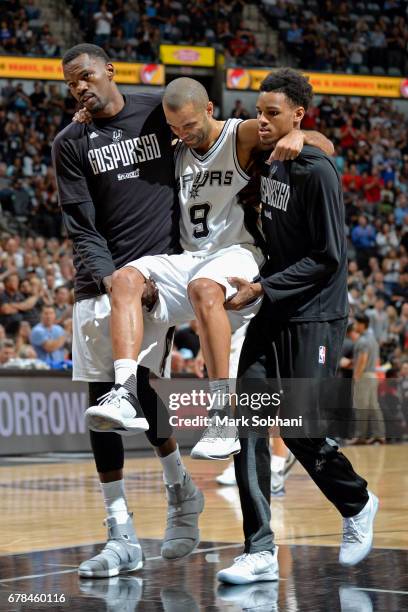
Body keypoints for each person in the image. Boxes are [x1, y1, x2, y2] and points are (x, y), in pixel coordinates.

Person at [85, 76, 334, 461]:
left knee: (203, 287)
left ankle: (221, 414)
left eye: (190, 126)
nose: (183, 134)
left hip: (238, 252)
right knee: (124, 280)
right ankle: (125, 392)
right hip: (190, 257)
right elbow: (122, 113)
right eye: (174, 128)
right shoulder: (174, 147)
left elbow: (324, 144)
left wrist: (302, 137)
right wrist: (91, 111)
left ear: (209, 110)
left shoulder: (241, 134)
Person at [217, 68, 379, 585]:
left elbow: (329, 257)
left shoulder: (315, 169)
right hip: (274, 307)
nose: (261, 122)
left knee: (304, 430)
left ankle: (357, 503)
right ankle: (259, 548)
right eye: (258, 112)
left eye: (272, 114)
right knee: (249, 424)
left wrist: (262, 286)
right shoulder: (269, 156)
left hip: (316, 313)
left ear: (297, 115)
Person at [52, 43, 204, 578]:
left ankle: (179, 489)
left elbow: (211, 128)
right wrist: (109, 278)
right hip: (100, 278)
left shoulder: (156, 113)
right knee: (100, 406)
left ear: (110, 71)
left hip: (156, 274)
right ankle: (121, 534)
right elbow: (82, 224)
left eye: (86, 77)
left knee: (137, 388)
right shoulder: (69, 142)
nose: (80, 88)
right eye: (72, 83)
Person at [351, 312, 386, 444]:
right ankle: (379, 435)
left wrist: (356, 376)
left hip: (364, 375)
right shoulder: (373, 339)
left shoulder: (363, 340)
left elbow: (363, 358)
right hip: (373, 375)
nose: (354, 325)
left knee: (361, 407)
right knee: (373, 406)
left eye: (356, 323)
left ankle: (360, 436)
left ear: (362, 324)